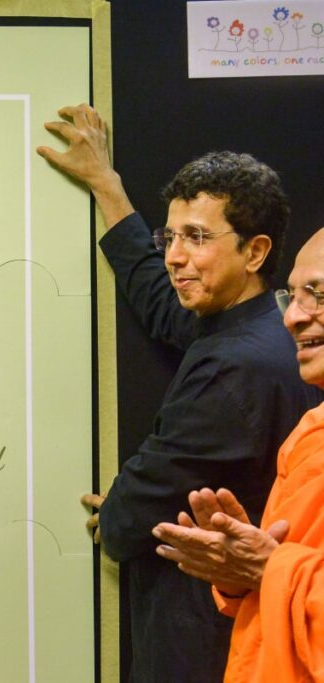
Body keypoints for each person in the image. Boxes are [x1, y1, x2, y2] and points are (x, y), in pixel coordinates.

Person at [36, 104, 321, 682]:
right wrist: (106, 186)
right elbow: (165, 305)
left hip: (204, 647)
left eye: (196, 237)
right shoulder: (259, 324)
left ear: (255, 252)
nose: (174, 256)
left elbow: (124, 526)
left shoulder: (234, 370)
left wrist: (119, 507)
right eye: (170, 237)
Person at [153, 227, 324, 682]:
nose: (293, 318)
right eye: (292, 297)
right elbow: (269, 596)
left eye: (319, 296)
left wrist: (270, 568)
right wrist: (236, 570)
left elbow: (278, 573)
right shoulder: (310, 432)